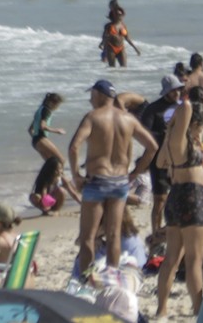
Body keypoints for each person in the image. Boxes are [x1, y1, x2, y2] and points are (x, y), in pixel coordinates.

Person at [67, 79, 158, 275]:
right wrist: (135, 172)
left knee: (88, 238)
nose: (90, 99)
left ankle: (85, 281)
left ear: (100, 95)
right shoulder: (129, 119)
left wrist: (76, 176)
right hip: (120, 182)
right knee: (114, 235)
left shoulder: (92, 117)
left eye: (92, 94)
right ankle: (112, 278)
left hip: (97, 181)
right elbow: (152, 147)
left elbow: (74, 147)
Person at [154, 87, 203, 318]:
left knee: (171, 259)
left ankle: (161, 309)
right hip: (191, 196)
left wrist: (171, 131)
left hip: (177, 197)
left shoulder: (174, 141)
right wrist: (184, 100)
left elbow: (160, 163)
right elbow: (187, 108)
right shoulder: (179, 136)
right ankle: (199, 309)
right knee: (194, 260)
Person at [29, 92, 66, 164]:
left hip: (35, 141)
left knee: (50, 164)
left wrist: (36, 139)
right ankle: (62, 175)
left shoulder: (40, 109)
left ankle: (59, 175)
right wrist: (57, 130)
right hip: (41, 138)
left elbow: (30, 129)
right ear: (52, 103)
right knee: (61, 160)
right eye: (57, 105)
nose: (57, 107)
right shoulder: (47, 111)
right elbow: (43, 126)